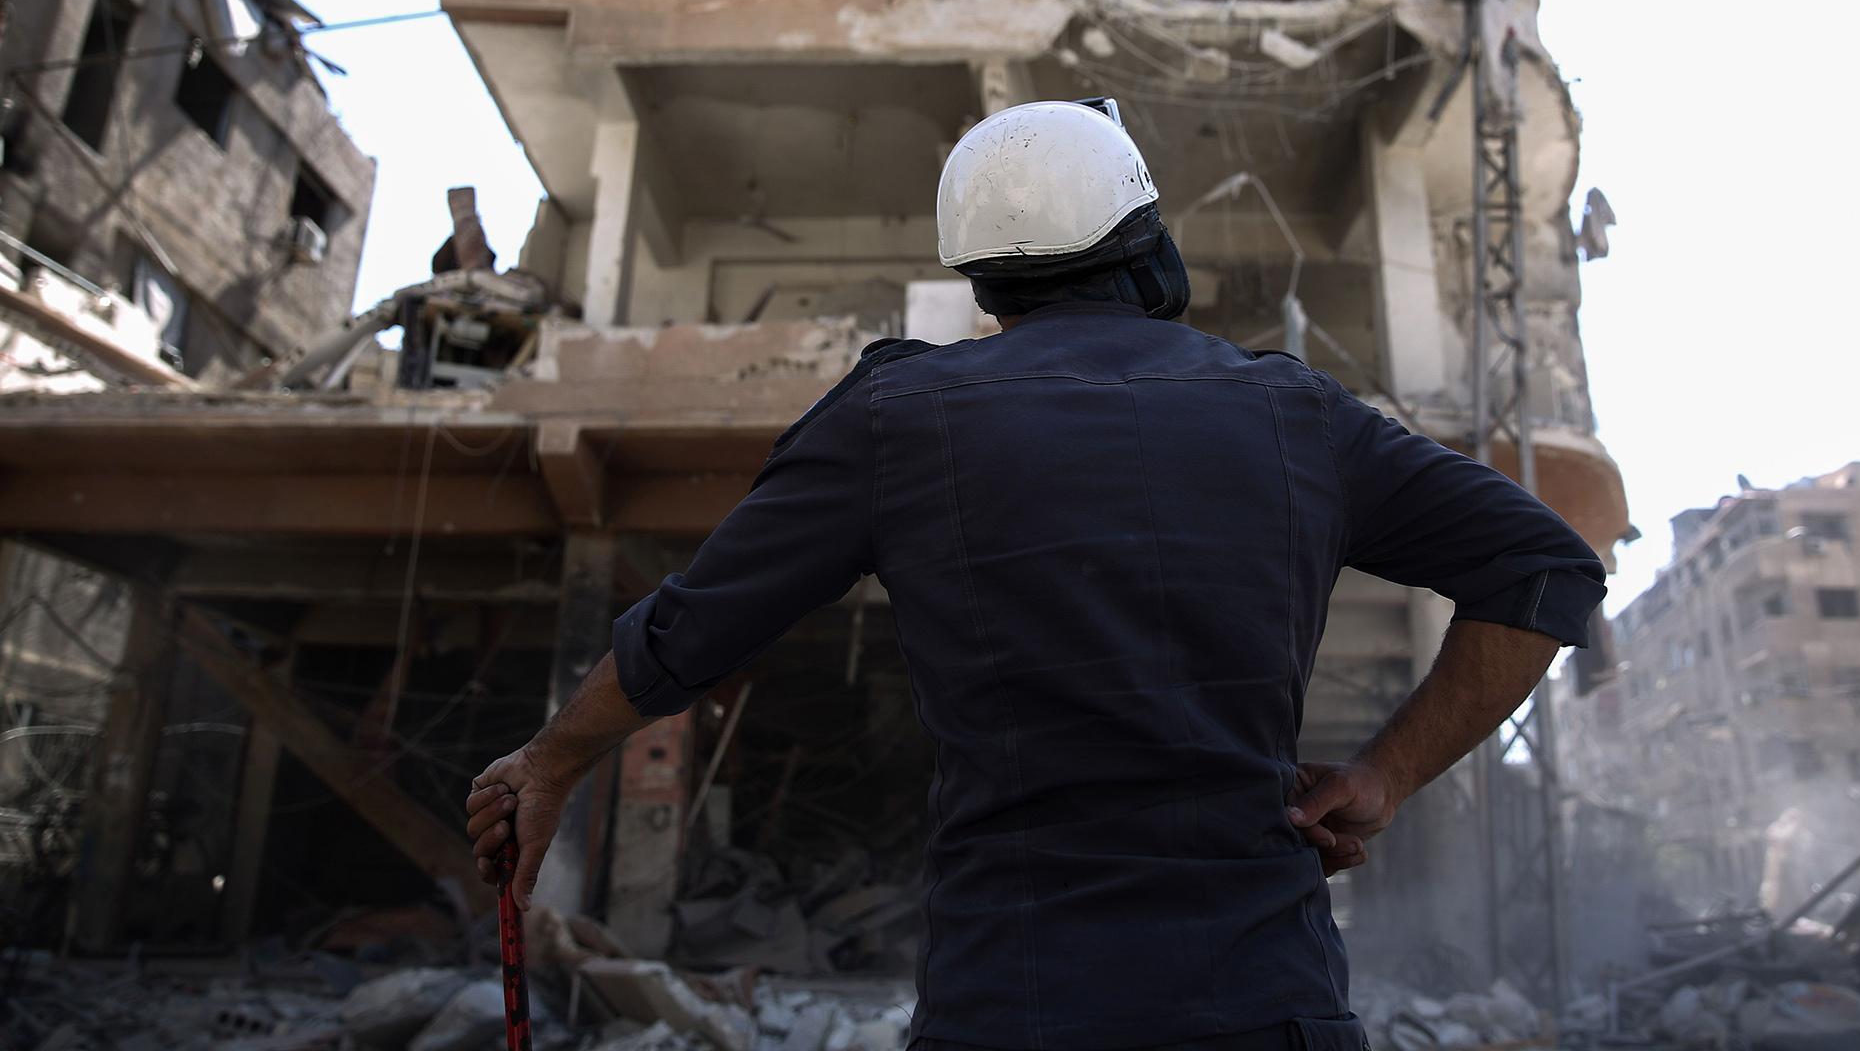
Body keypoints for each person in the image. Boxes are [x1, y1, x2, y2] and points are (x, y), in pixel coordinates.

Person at [467, 98, 1605, 1051]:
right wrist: (1385, 774)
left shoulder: (897, 417)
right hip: (1265, 1003)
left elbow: (689, 632)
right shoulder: (1292, 414)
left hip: (1008, 1006)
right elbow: (1542, 566)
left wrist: (551, 759)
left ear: (984, 281)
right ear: (1145, 238)